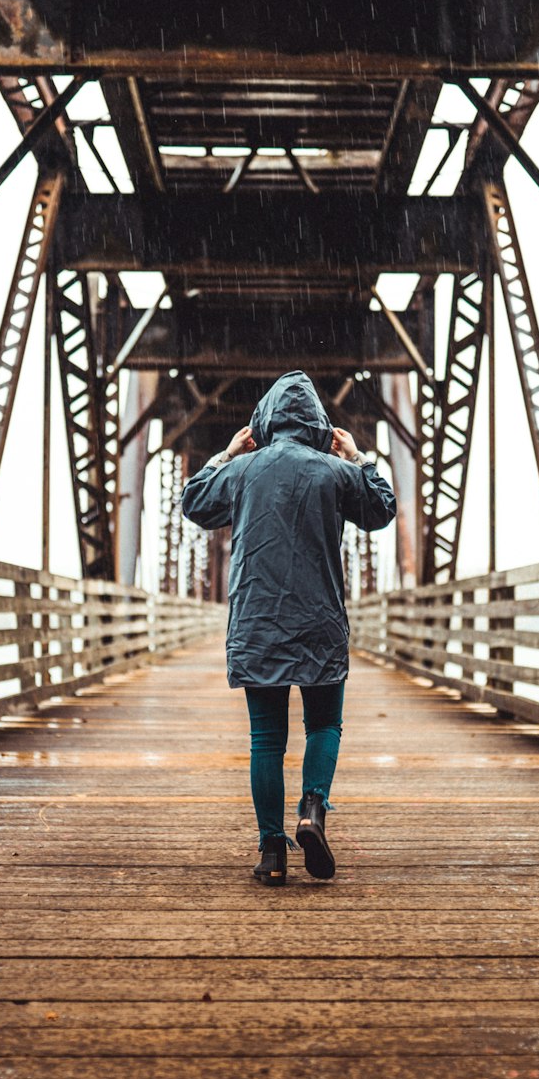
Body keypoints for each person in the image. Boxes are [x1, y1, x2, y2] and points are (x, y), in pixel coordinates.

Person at [181, 372, 397, 885]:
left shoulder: (244, 471)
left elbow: (194, 502)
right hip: (319, 619)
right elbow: (382, 508)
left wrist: (228, 454)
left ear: (264, 422)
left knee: (266, 739)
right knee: (323, 725)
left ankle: (271, 853)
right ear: (319, 425)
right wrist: (359, 458)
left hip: (259, 622)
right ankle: (312, 811)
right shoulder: (333, 471)